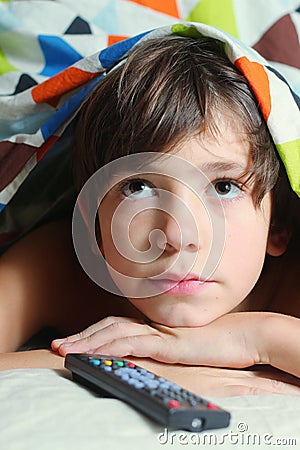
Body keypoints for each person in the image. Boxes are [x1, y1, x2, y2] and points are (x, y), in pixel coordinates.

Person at [0, 25, 299, 396]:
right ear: (94, 225)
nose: (177, 236)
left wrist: (258, 338)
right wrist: (139, 359)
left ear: (279, 226)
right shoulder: (56, 268)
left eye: (224, 187)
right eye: (137, 188)